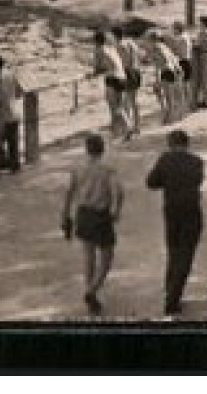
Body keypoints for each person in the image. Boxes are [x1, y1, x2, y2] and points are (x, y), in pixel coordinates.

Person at [62, 133, 124, 315]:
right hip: (100, 215)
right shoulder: (107, 169)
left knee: (88, 257)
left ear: (87, 149)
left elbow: (69, 193)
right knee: (107, 258)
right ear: (102, 148)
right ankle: (91, 291)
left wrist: (65, 215)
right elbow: (118, 192)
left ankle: (91, 293)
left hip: (83, 213)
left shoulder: (78, 168)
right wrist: (116, 211)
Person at [146, 128, 204, 316]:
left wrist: (167, 181)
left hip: (171, 210)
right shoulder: (197, 162)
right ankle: (173, 296)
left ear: (170, 144)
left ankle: (170, 289)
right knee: (186, 254)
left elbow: (151, 182)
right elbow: (198, 181)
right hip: (191, 209)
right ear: (187, 144)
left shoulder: (165, 160)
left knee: (173, 250)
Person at [0, 54, 26, 173]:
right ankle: (14, 167)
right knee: (13, 141)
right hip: (13, 112)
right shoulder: (11, 75)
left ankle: (2, 163)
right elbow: (20, 92)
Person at [93, 29, 129, 139]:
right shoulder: (112, 48)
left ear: (96, 41)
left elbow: (97, 68)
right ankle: (127, 128)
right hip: (122, 77)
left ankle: (116, 131)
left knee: (113, 107)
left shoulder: (99, 50)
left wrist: (93, 74)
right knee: (119, 107)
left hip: (112, 78)